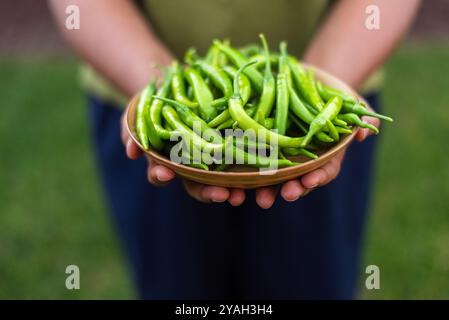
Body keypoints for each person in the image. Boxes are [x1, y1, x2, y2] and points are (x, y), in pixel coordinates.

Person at [49, 0, 420, 299]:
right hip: (134, 79)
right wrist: (157, 84)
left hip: (337, 72)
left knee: (311, 284)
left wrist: (324, 81)